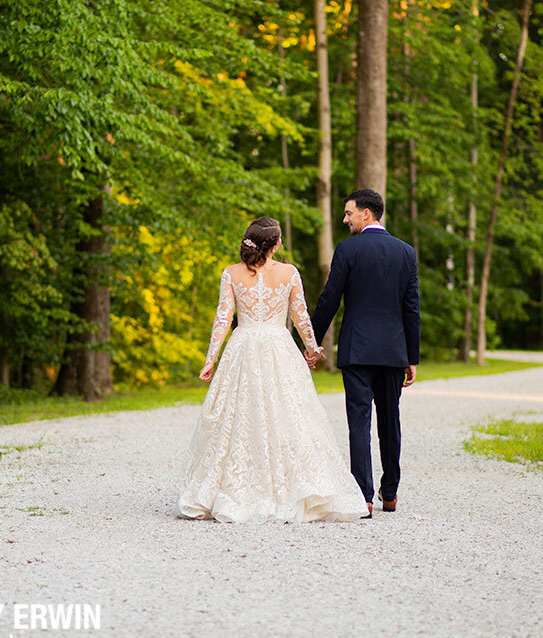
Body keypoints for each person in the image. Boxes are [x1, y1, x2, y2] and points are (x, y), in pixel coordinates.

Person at [178, 217, 369, 523]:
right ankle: (288, 486)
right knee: (289, 414)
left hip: (243, 347)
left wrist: (210, 359)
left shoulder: (231, 273)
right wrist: (311, 348)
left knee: (240, 417)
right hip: (279, 346)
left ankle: (233, 488)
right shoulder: (289, 273)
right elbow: (301, 315)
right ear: (276, 243)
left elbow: (223, 320)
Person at [310, 189, 420, 514]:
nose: (345, 220)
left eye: (348, 214)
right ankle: (390, 493)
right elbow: (411, 309)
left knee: (358, 422)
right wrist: (411, 357)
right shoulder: (406, 252)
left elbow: (330, 298)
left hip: (356, 350)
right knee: (390, 421)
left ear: (366, 214)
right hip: (392, 353)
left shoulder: (347, 250)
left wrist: (311, 342)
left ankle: (364, 498)